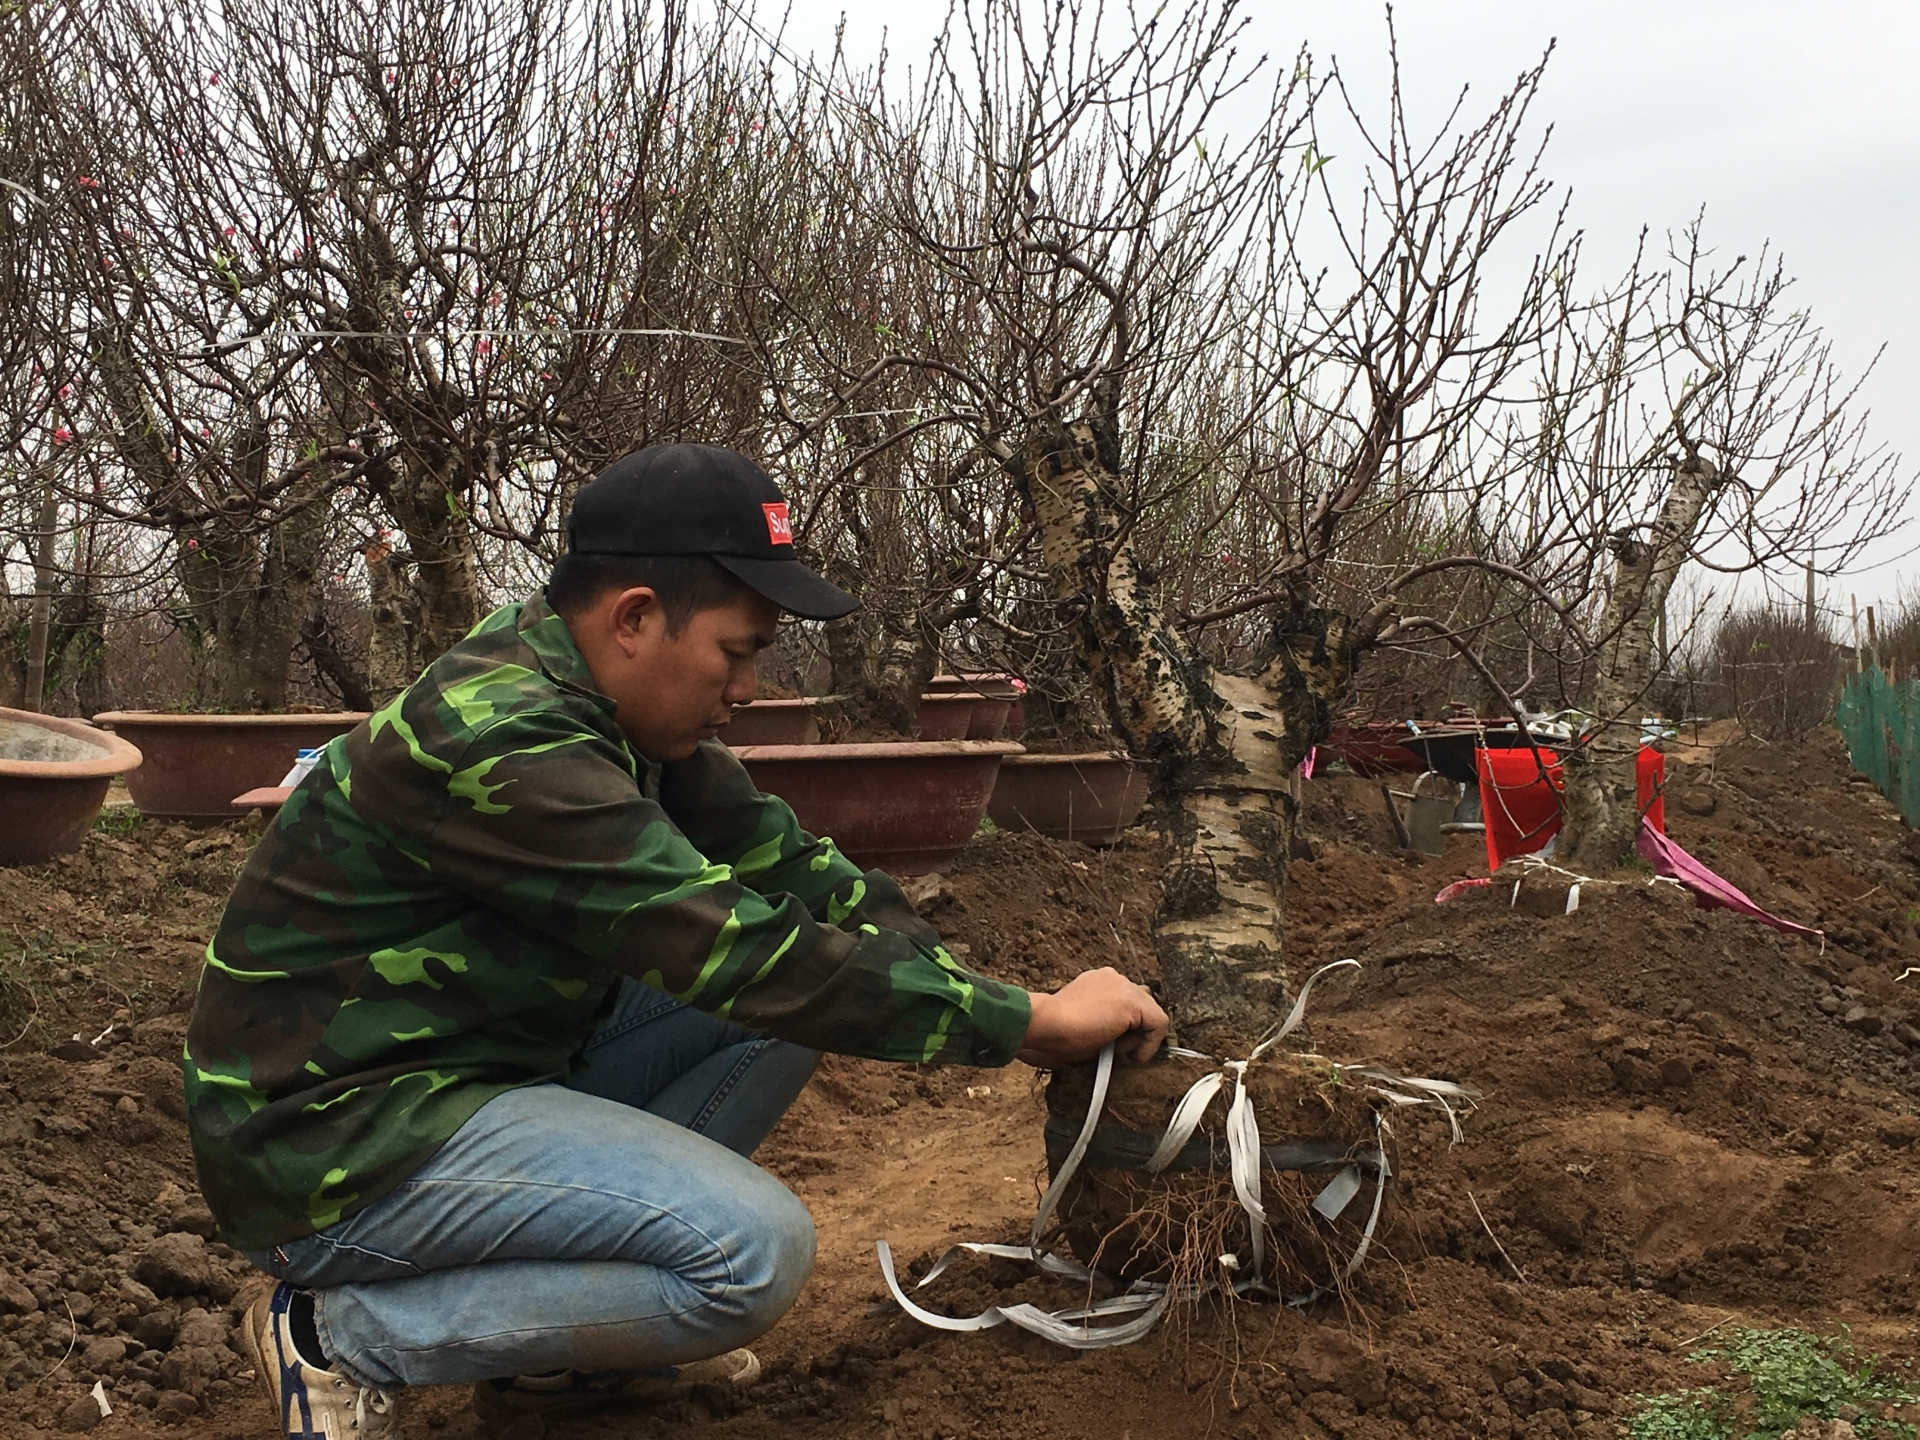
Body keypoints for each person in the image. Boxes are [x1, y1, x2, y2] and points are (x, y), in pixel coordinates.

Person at [182, 443, 1167, 1440]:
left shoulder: (608, 703)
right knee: (750, 1258)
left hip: (467, 1072)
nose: (747, 686)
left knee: (796, 1001)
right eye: (738, 652)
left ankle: (556, 1361)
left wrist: (960, 980)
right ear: (636, 618)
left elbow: (787, 869)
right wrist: (1028, 1025)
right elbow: (734, 951)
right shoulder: (510, 741)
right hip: (333, 1151)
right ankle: (343, 1330)